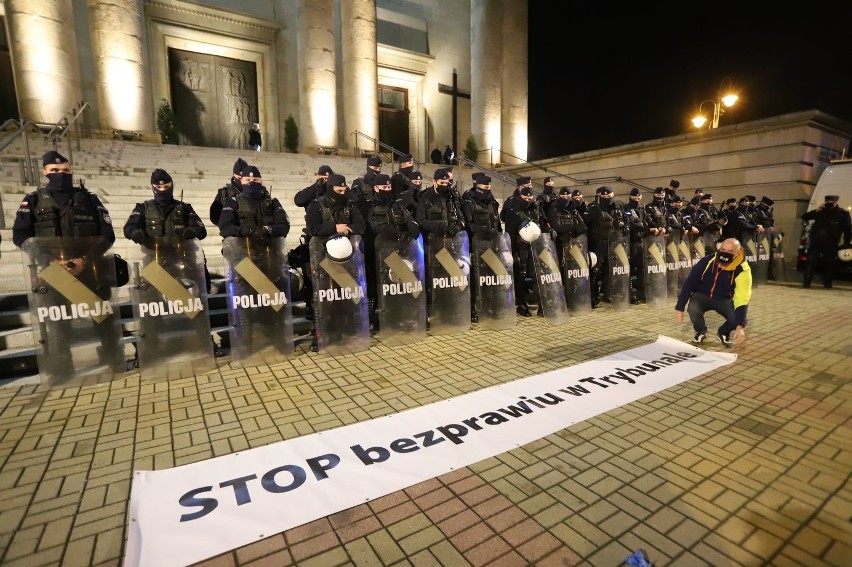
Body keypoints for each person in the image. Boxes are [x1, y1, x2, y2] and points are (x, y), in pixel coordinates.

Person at [12, 150, 124, 372]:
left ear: (71, 171)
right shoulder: (33, 200)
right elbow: (20, 236)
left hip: (89, 269)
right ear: (44, 172)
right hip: (53, 273)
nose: (60, 174)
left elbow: (107, 235)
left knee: (103, 319)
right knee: (58, 324)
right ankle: (64, 369)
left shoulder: (89, 199)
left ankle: (114, 361)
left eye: (65, 170)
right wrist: (49, 261)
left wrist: (83, 260)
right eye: (54, 171)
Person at [124, 169, 210, 358]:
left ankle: (205, 344)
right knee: (151, 311)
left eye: (166, 186)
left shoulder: (184, 207)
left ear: (172, 186)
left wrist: (192, 230)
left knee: (194, 307)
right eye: (158, 186)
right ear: (153, 187)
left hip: (183, 265)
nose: (162, 189)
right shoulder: (143, 208)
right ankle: (152, 350)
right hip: (155, 268)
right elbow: (128, 227)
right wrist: (134, 233)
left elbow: (201, 229)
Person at [362, 172, 419, 330]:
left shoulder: (396, 203)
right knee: (375, 288)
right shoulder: (368, 204)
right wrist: (388, 232)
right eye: (384, 187)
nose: (387, 189)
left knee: (398, 286)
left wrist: (412, 226)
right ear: (376, 188)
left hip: (397, 252)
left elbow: (407, 218)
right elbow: (371, 226)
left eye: (389, 186)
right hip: (376, 254)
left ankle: (399, 315)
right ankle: (372, 318)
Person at [674, 238, 751, 348]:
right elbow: (689, 283)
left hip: (724, 299)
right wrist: (679, 308)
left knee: (739, 319)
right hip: (702, 296)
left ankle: (723, 332)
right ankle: (701, 331)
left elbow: (742, 298)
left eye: (730, 252)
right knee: (693, 308)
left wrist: (740, 327)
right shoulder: (707, 260)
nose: (725, 253)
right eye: (723, 249)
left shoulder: (743, 270)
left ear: (737, 253)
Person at [461, 174, 502, 322]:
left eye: (489, 187)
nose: (488, 190)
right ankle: (472, 309)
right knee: (473, 279)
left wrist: (499, 239)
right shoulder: (468, 201)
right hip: (475, 246)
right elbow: (466, 224)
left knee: (489, 278)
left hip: (490, 245)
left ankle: (489, 306)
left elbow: (497, 222)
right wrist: (480, 229)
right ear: (477, 186)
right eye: (485, 188)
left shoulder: (492, 201)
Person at [217, 165, 291, 243]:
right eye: (248, 180)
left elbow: (284, 226)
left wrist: (268, 230)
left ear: (261, 181)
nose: (251, 182)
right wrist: (248, 232)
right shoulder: (233, 202)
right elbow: (225, 227)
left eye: (255, 180)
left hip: (270, 249)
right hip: (242, 250)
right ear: (241, 181)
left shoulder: (272, 202)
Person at [501, 183, 543, 317]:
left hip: (535, 247)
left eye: (531, 197)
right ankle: (521, 304)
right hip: (520, 248)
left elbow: (542, 224)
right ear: (520, 196)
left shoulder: (535, 209)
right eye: (525, 197)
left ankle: (542, 304)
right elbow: (510, 233)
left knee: (537, 274)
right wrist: (512, 252)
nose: (528, 199)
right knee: (521, 276)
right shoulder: (513, 211)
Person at [801, 194, 851, 288]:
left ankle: (827, 283)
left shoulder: (842, 213)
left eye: (830, 203)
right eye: (827, 203)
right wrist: (816, 210)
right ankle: (807, 282)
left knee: (829, 262)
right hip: (816, 241)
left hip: (831, 242)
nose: (828, 204)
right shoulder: (820, 211)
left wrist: (846, 241)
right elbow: (804, 216)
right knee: (811, 261)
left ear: (835, 202)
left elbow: (848, 228)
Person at [210, 157, 248, 225]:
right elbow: (214, 216)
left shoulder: (256, 190)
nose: (241, 181)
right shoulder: (224, 193)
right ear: (234, 175)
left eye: (244, 178)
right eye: (239, 178)